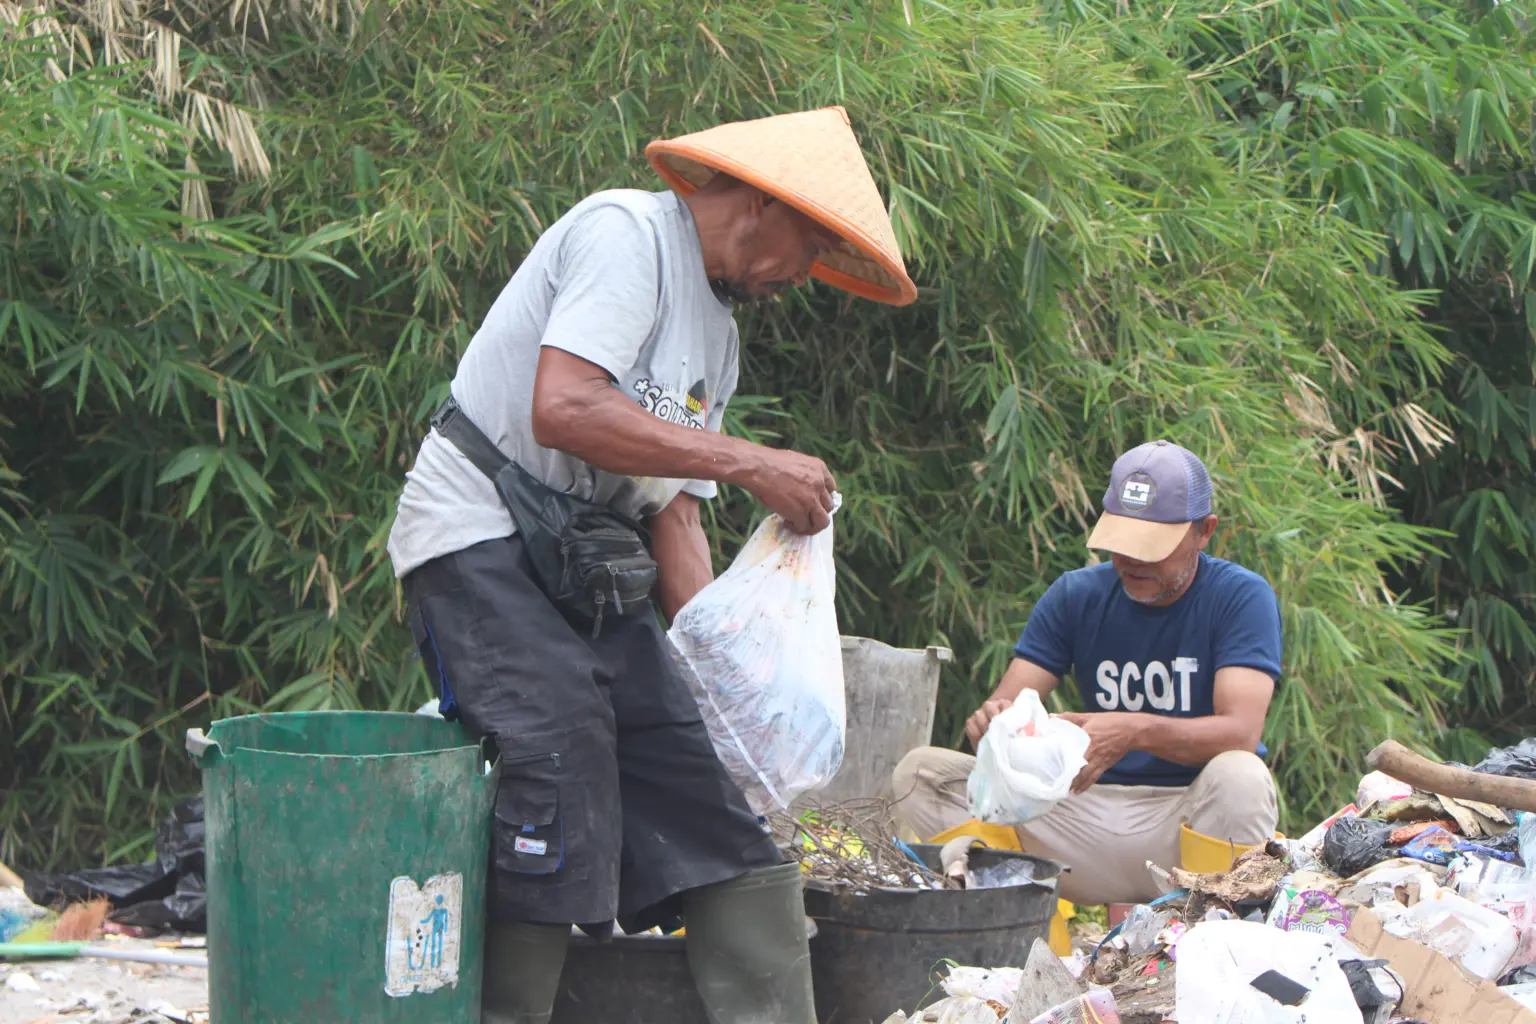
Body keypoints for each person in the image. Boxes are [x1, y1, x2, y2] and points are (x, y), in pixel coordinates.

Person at [386, 107, 916, 1024]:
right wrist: (753, 461)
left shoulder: (722, 340)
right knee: (556, 747)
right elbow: (566, 407)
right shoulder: (626, 234)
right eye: (811, 244)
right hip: (477, 536)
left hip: (587, 561)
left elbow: (673, 512)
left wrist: (723, 676)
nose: (807, 273)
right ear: (760, 204)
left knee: (697, 777)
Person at [891, 440, 1282, 906]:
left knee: (1242, 776)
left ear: (1204, 532)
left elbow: (1240, 731)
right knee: (922, 774)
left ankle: (1212, 932)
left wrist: (1133, 730)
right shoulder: (1076, 594)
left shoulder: (1240, 596)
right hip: (1076, 819)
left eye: (1151, 545)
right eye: (1122, 542)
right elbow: (1009, 706)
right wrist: (997, 732)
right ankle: (1013, 925)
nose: (1132, 560)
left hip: (1184, 823)